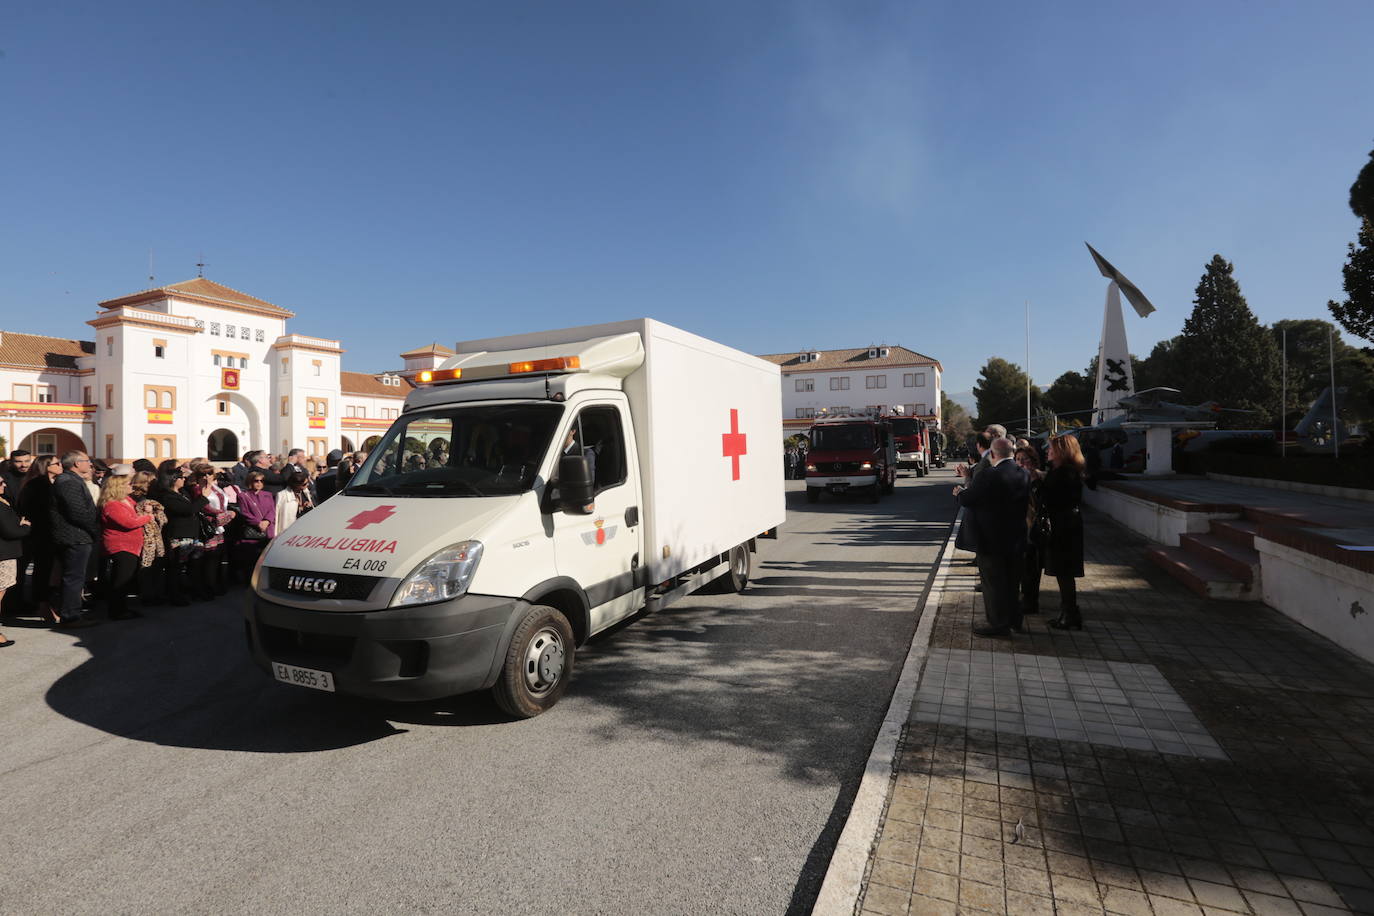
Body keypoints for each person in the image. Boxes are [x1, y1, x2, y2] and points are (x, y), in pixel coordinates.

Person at [954, 437, 1029, 637]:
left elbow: (970, 499)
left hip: (991, 538)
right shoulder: (1023, 473)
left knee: (993, 583)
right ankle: (1015, 620)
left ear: (993, 455)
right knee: (1013, 582)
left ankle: (998, 624)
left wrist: (960, 492)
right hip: (1016, 537)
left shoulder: (989, 475)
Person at [49, 451, 101, 628]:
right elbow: (78, 512)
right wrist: (94, 529)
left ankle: (70, 612)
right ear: (77, 464)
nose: (90, 464)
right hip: (75, 536)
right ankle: (71, 616)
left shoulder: (71, 480)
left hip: (77, 535)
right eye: (87, 461)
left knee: (74, 576)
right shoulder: (68, 481)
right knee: (74, 577)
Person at [1041, 434, 1087, 631]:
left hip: (1064, 527)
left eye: (1051, 448)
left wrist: (1037, 484)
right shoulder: (1062, 471)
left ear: (1061, 451)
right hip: (1066, 524)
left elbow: (1052, 497)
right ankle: (1069, 612)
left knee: (1064, 571)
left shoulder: (1064, 473)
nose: (1047, 451)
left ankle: (1070, 613)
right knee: (1063, 572)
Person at [98, 466, 151, 620]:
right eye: (128, 484)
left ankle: (122, 608)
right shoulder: (112, 504)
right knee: (121, 580)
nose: (131, 486)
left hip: (131, 545)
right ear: (118, 487)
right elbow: (128, 523)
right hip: (120, 545)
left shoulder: (126, 500)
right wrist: (148, 516)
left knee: (125, 579)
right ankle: (116, 611)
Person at [19, 454, 61, 622]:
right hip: (42, 534)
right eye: (56, 463)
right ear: (46, 466)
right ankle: (43, 606)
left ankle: (45, 605)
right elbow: (42, 511)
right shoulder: (38, 485)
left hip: (46, 533)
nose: (60, 466)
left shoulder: (47, 483)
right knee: (43, 571)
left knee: (48, 571)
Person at [150, 466, 200, 606]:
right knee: (175, 567)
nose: (184, 480)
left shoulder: (183, 492)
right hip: (177, 535)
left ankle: (188, 591)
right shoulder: (167, 496)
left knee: (188, 565)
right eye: (181, 478)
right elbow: (188, 510)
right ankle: (174, 595)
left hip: (190, 533)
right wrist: (204, 498)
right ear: (173, 480)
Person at [0, 476, 33, 646]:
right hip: (3, 555)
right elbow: (11, 531)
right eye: (0, 483)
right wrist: (25, 525)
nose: (4, 485)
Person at [1014, 446, 1045, 616]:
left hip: (1035, 530)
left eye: (1024, 459)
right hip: (1020, 528)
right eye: (1017, 460)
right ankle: (1025, 598)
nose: (1021, 463)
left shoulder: (1040, 479)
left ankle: (1031, 602)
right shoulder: (1017, 479)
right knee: (1023, 567)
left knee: (1032, 569)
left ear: (1033, 461)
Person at [130, 470, 167, 605]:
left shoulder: (150, 497)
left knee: (154, 565)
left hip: (153, 536)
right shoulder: (138, 499)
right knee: (147, 565)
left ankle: (153, 593)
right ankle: (147, 595)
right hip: (145, 537)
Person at [234, 470, 275, 577]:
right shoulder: (243, 496)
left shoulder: (268, 494)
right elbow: (245, 513)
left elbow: (272, 510)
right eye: (256, 480)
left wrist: (266, 521)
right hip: (252, 533)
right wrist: (258, 523)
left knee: (266, 559)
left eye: (262, 481)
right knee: (251, 561)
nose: (259, 483)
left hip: (268, 531)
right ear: (250, 481)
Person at [274, 468, 315, 535]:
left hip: (305, 528)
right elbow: (277, 516)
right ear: (296, 485)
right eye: (304, 484)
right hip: (290, 530)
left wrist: (307, 506)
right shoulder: (282, 495)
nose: (307, 485)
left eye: (307, 483)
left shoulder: (306, 492)